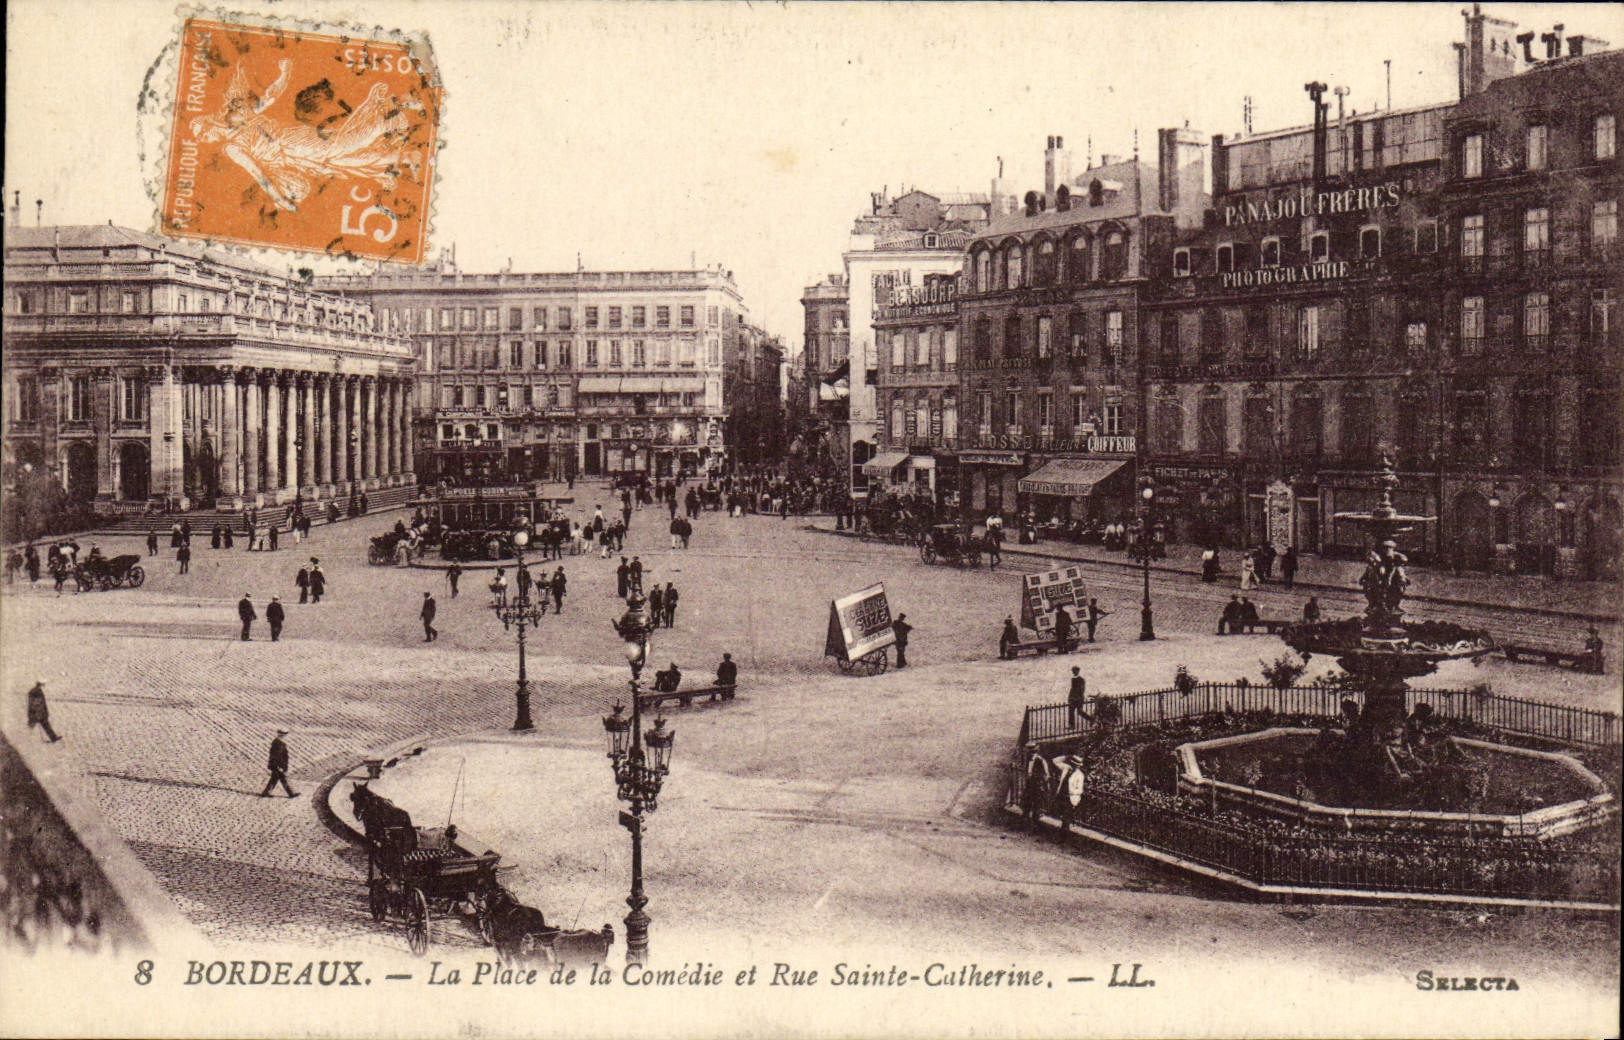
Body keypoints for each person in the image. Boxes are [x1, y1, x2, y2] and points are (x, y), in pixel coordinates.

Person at [260, 729, 298, 798]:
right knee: (283, 778)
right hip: (278, 765)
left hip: (277, 765)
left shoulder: (277, 742)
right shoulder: (279, 744)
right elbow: (277, 756)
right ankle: (291, 794)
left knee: (274, 779)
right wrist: (279, 766)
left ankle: (266, 793)